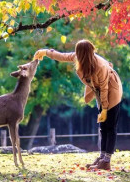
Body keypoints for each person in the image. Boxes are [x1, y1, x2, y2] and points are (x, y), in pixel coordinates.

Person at [33, 39, 122, 170]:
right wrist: (45, 52)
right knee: (103, 126)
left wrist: (104, 109)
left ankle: (107, 161)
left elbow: (104, 89)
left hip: (112, 89)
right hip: (99, 90)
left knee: (110, 127)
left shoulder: (100, 66)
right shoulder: (78, 58)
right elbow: (62, 56)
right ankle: (102, 157)